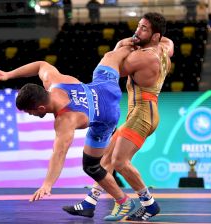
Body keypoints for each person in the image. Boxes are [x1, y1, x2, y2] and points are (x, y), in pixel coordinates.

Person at [0, 45, 138, 221]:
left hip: (107, 119)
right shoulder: (54, 81)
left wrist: (47, 184)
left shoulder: (65, 121)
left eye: (29, 112)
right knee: (112, 55)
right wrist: (9, 74)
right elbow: (41, 65)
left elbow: (59, 154)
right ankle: (135, 44)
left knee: (91, 166)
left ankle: (124, 202)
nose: (31, 115)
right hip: (105, 88)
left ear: (40, 107)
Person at [63, 12, 174, 221]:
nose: (137, 31)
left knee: (120, 161)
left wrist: (121, 43)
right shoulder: (165, 48)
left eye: (144, 29)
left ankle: (149, 204)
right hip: (143, 112)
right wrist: (140, 41)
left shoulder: (144, 57)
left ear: (155, 36)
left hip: (142, 115)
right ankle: (90, 203)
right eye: (139, 26)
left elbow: (111, 66)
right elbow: (169, 41)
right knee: (106, 158)